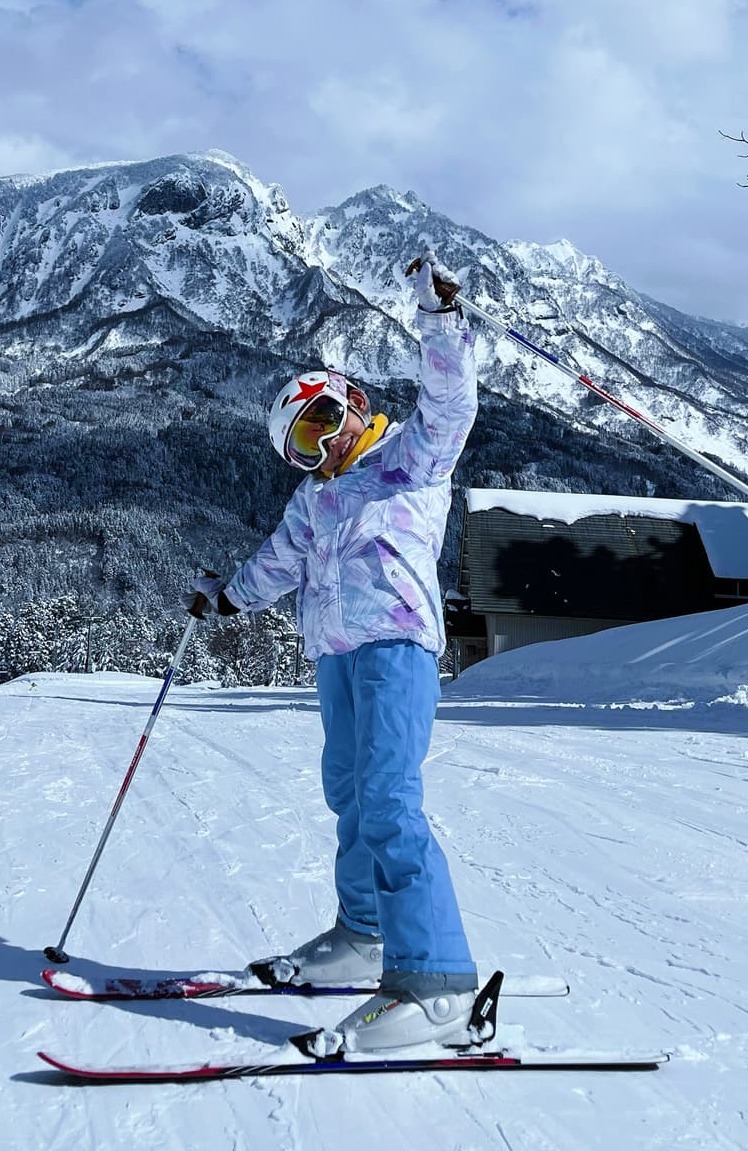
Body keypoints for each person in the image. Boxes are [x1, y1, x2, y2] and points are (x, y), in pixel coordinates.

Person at [187, 251, 481, 1055]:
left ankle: (439, 981)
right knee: (349, 798)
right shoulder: (314, 497)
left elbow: (451, 401)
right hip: (336, 657)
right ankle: (363, 934)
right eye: (299, 448)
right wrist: (227, 596)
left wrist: (441, 321)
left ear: (352, 404)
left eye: (319, 426)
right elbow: (276, 564)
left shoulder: (410, 459)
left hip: (395, 648)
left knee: (389, 801)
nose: (316, 451)